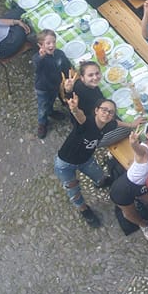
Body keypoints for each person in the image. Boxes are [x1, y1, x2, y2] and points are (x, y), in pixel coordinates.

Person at [54, 95, 119, 227]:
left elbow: (118, 123)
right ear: (96, 110)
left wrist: (132, 124)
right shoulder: (86, 123)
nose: (107, 113)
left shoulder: (109, 124)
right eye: (104, 110)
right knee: (73, 191)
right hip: (65, 164)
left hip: (86, 160)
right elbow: (80, 116)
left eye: (110, 112)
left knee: (99, 175)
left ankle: (101, 182)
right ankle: (84, 210)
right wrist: (74, 109)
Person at [111, 120, 148, 243]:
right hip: (126, 188)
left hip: (144, 186)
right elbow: (137, 149)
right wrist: (133, 143)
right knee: (129, 214)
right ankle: (144, 225)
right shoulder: (144, 150)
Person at [31, 29, 73, 139]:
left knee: (52, 100)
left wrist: (68, 77)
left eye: (53, 42)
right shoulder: (40, 58)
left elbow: (66, 66)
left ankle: (51, 112)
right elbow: (37, 64)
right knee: (43, 106)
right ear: (40, 45)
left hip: (55, 86)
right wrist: (41, 56)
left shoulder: (59, 54)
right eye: (48, 43)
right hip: (43, 88)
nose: (52, 45)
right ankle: (42, 123)